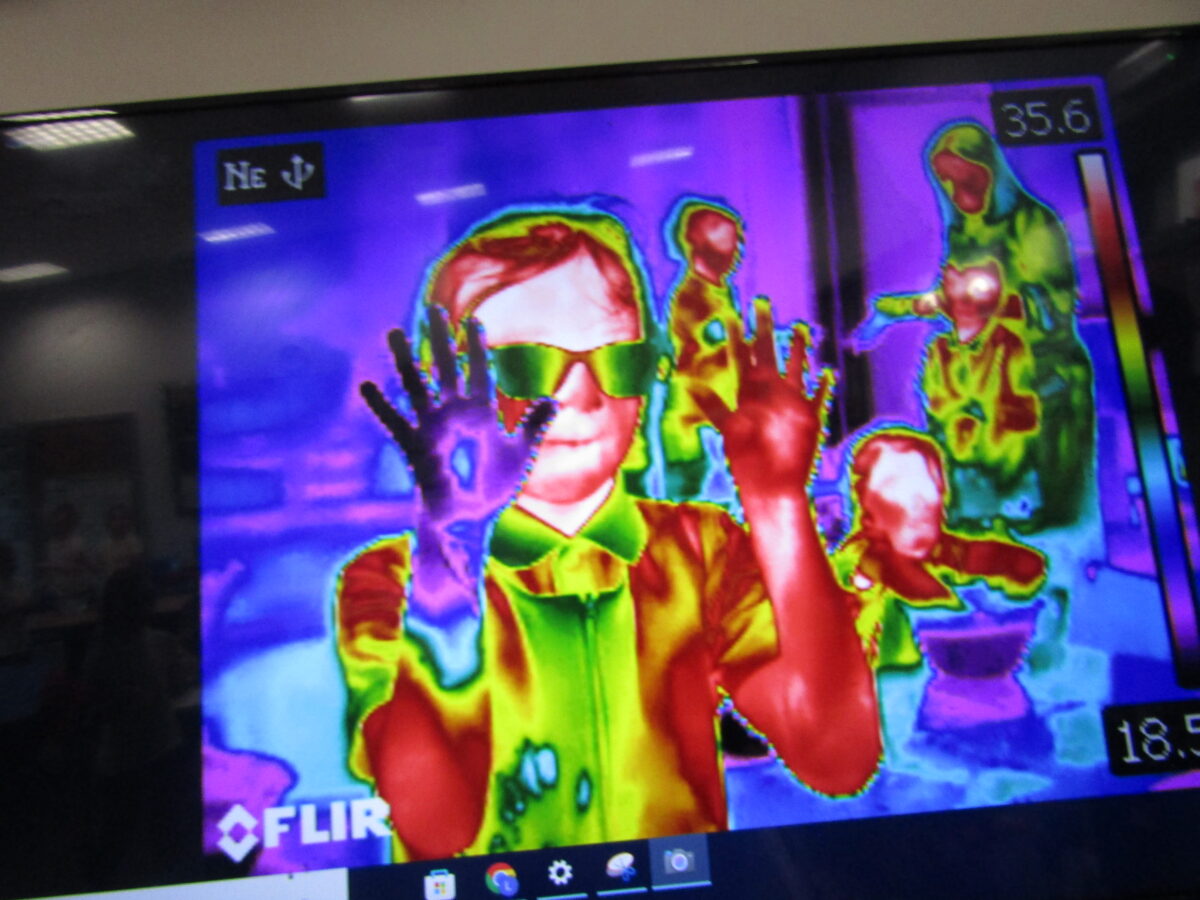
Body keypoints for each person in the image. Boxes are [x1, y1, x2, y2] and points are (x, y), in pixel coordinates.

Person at [337, 207, 879, 860]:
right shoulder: (391, 582)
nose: (585, 397)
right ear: (445, 382)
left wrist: (778, 501)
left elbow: (837, 759)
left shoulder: (701, 549)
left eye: (621, 361)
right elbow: (432, 826)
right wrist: (448, 550)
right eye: (527, 366)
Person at [856, 121, 1094, 532]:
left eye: (966, 177)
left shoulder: (1034, 222)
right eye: (946, 180)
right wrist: (890, 311)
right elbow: (949, 296)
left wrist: (993, 305)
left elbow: (1054, 304)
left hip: (1037, 360)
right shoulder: (964, 233)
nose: (957, 190)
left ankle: (1026, 501)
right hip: (979, 360)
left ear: (990, 170)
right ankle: (968, 505)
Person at [834, 428, 1046, 669]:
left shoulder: (945, 552)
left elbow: (1025, 564)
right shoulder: (849, 571)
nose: (919, 500)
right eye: (897, 486)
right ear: (866, 506)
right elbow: (934, 604)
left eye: (926, 483)